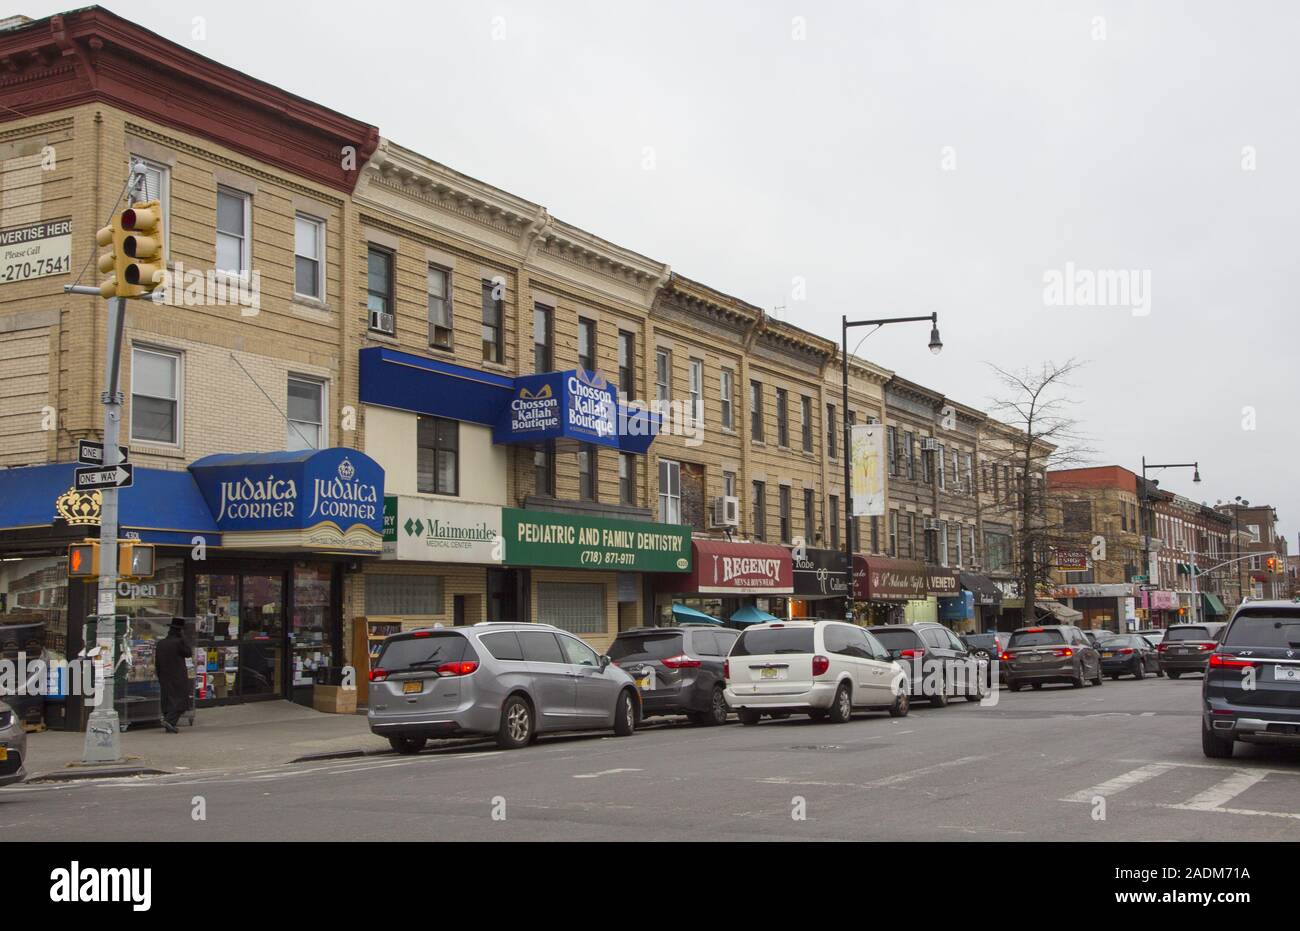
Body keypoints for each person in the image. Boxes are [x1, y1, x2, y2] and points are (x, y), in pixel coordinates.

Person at [155, 618, 192, 733]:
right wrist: (184, 639)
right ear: (180, 631)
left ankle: (169, 722)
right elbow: (188, 653)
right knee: (181, 700)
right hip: (177, 676)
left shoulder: (161, 643)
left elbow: (157, 662)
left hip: (164, 676)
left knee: (167, 699)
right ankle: (170, 720)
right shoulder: (178, 642)